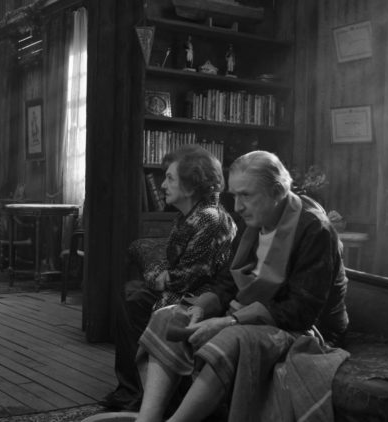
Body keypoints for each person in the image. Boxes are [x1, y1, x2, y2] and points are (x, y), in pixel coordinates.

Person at [135, 150, 349, 422]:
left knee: (232, 337)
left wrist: (229, 321)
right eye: (234, 195)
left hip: (306, 329)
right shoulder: (253, 222)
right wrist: (202, 307)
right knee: (168, 317)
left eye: (246, 195)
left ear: (277, 192)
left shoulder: (315, 229)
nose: (237, 206)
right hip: (253, 313)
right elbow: (227, 282)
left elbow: (301, 310)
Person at [101, 145, 238, 411]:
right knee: (131, 294)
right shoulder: (187, 217)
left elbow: (182, 279)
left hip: (202, 299)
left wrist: (157, 276)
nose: (163, 185)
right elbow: (168, 264)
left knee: (135, 299)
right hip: (186, 289)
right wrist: (158, 274)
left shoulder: (209, 219)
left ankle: (139, 394)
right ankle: (134, 390)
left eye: (170, 178)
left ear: (191, 184)